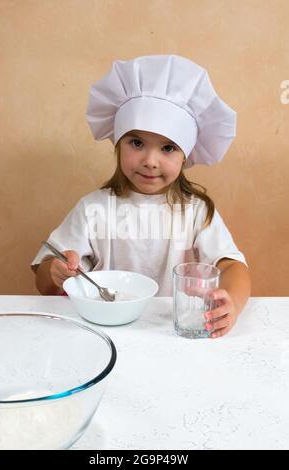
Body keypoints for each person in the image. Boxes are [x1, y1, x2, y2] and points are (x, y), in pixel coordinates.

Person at [31, 54, 251, 338]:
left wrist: (230, 301)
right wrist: (56, 272)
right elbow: (43, 280)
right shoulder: (93, 208)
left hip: (169, 333)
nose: (150, 160)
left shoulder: (195, 211)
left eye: (168, 148)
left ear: (186, 155)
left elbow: (232, 266)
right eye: (137, 143)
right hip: (101, 333)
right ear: (118, 144)